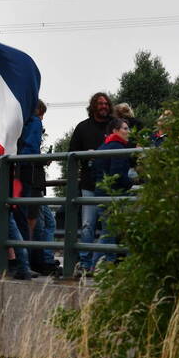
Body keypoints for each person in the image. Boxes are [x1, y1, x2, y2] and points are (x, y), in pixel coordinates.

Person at [69, 92, 113, 271]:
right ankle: (85, 263)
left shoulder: (114, 126)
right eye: (100, 104)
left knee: (109, 225)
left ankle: (104, 263)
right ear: (93, 106)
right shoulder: (83, 127)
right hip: (89, 183)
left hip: (110, 183)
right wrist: (86, 155)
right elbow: (72, 153)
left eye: (106, 104)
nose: (103, 106)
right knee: (88, 225)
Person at [17, 100, 56, 274]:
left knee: (39, 222)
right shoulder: (35, 123)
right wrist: (39, 159)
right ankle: (32, 261)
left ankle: (36, 260)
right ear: (38, 111)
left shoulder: (23, 123)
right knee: (32, 222)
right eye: (42, 114)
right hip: (31, 177)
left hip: (28, 176)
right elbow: (30, 150)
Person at [90, 117, 135, 268]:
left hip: (100, 193)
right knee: (111, 233)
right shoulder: (119, 148)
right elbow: (117, 175)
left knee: (108, 232)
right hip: (112, 195)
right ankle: (94, 265)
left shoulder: (103, 146)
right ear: (116, 131)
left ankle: (98, 265)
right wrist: (133, 182)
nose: (128, 131)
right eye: (125, 128)